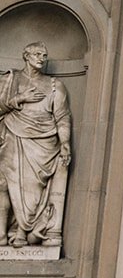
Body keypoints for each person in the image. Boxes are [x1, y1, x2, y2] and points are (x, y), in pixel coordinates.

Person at [0, 42, 72, 248]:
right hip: (12, 136)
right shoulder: (9, 79)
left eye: (44, 55)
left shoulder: (54, 85)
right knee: (3, 185)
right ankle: (1, 235)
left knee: (32, 191)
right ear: (26, 56)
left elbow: (62, 117)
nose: (41, 58)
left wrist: (65, 142)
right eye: (37, 54)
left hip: (43, 144)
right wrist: (18, 99)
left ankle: (23, 232)